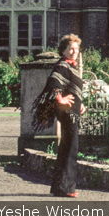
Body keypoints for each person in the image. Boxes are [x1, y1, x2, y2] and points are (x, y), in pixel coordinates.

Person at [46, 33, 85, 197]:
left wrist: (80, 103)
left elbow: (73, 88)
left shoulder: (71, 66)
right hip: (68, 113)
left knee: (66, 147)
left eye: (76, 49)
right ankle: (67, 188)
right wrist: (60, 99)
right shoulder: (62, 65)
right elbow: (53, 82)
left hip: (73, 111)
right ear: (64, 50)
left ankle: (59, 187)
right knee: (71, 148)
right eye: (71, 49)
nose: (74, 52)